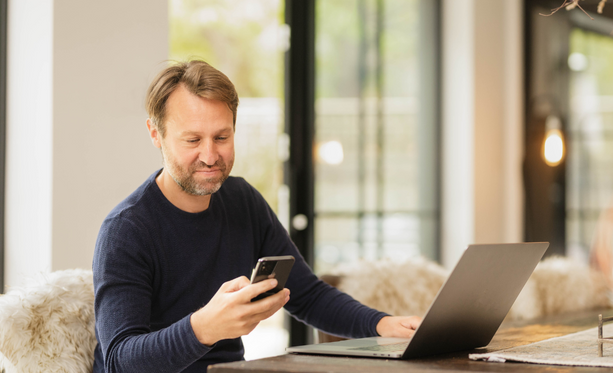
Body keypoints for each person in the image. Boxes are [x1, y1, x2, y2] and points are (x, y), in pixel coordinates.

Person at [92, 60, 421, 373]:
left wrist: (383, 325)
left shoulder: (241, 201)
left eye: (222, 137)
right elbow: (121, 361)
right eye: (192, 140)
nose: (210, 155)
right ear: (155, 134)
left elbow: (308, 295)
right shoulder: (126, 231)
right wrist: (203, 328)